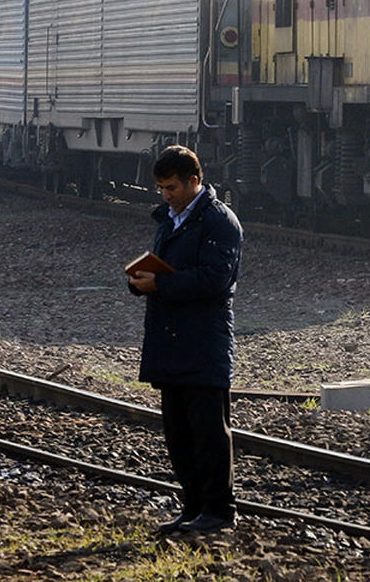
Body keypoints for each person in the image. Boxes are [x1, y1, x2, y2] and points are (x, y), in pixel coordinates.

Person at [128, 145, 243, 535]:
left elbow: (215, 279)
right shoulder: (171, 219)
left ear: (195, 180)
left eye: (172, 187)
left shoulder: (219, 223)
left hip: (203, 341)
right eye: (161, 188)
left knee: (209, 431)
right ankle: (192, 506)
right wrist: (142, 282)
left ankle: (218, 511)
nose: (166, 195)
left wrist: (160, 282)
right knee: (178, 433)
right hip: (170, 339)